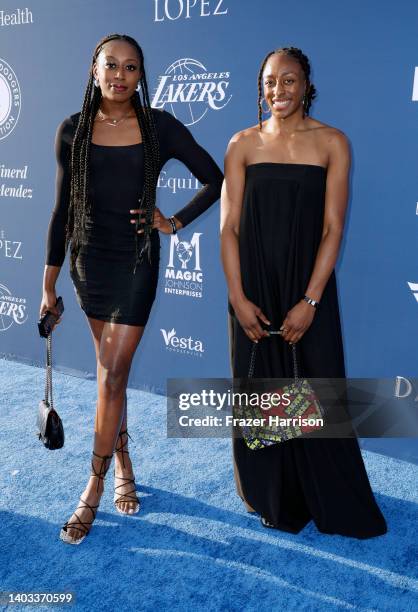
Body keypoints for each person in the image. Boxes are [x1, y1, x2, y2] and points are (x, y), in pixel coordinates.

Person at [40, 33, 223, 545]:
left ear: (142, 76)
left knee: (111, 374)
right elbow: (61, 213)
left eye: (131, 68)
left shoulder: (159, 126)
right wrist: (47, 285)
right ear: (94, 70)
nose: (120, 75)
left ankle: (93, 485)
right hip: (86, 265)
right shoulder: (71, 131)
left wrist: (176, 221)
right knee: (111, 379)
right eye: (111, 65)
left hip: (136, 263)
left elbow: (216, 178)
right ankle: (123, 457)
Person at [220, 47, 387, 538]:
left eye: (288, 80)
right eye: (270, 81)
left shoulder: (333, 142)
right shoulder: (241, 144)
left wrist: (311, 300)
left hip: (306, 288)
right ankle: (273, 492)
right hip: (252, 287)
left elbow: (333, 227)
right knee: (264, 391)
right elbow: (228, 229)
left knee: (314, 388)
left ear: (306, 83)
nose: (278, 91)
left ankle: (326, 493)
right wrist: (237, 297)